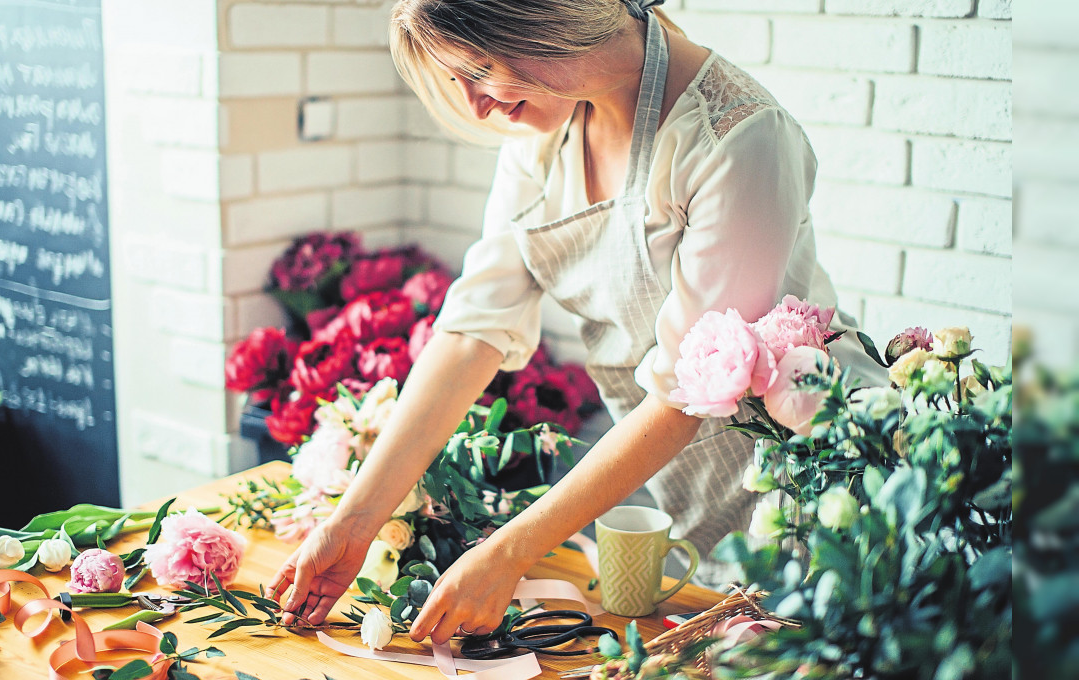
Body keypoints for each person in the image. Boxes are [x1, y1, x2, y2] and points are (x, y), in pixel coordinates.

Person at [268, 0, 883, 646]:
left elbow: (683, 397)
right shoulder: (541, 138)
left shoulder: (739, 138)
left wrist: (510, 553)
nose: (476, 105)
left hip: (810, 483)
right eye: (459, 80)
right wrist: (356, 520)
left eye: (481, 68)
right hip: (684, 491)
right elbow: (472, 329)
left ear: (544, 15)